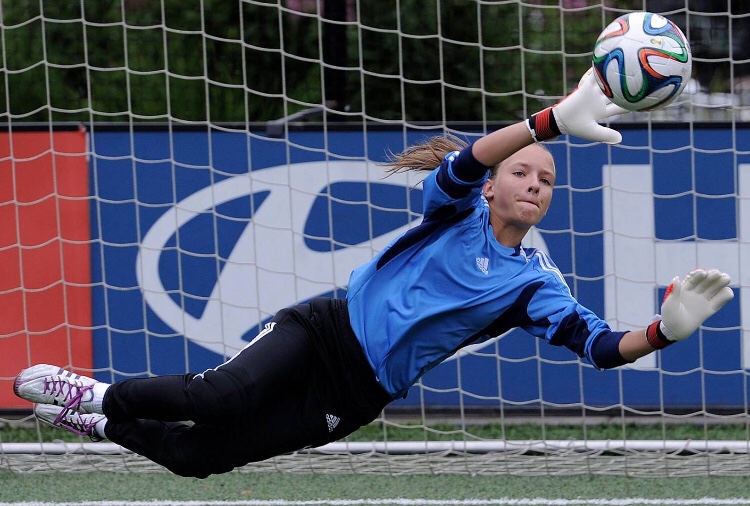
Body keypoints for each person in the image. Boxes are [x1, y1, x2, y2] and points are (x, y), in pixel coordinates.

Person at [14, 69, 734, 479]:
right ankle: (94, 390)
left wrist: (664, 331)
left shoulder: (535, 285)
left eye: (546, 180)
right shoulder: (458, 210)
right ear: (494, 185)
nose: (536, 183)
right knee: (221, 396)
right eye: (523, 172)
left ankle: (99, 421)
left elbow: (601, 348)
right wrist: (545, 123)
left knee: (199, 457)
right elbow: (462, 163)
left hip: (357, 390)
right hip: (325, 331)